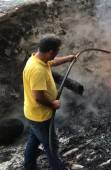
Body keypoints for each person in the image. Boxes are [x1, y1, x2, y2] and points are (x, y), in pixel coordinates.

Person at [23, 35, 74, 170]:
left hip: (32, 113)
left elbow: (53, 62)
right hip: (40, 116)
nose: (57, 53)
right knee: (51, 145)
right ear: (50, 51)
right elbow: (38, 97)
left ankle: (28, 167)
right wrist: (52, 104)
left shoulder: (38, 59)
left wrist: (68, 58)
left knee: (34, 140)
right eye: (57, 51)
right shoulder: (37, 70)